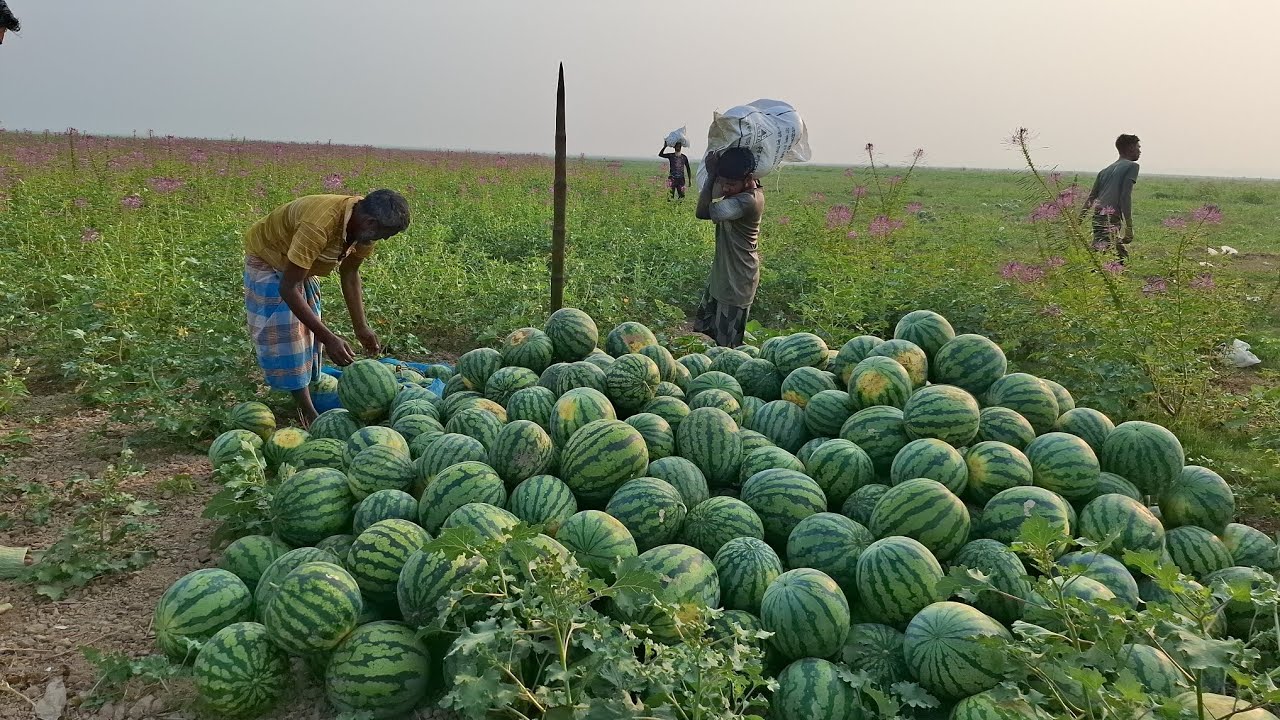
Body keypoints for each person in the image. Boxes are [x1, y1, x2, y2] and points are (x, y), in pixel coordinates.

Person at [243, 190, 410, 425]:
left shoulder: (362, 230)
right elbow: (288, 288)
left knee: (310, 334)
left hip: (300, 266)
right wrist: (329, 338)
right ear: (371, 222)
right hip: (270, 258)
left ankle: (307, 388)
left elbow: (350, 273)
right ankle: (308, 413)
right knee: (289, 335)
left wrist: (361, 327)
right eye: (384, 235)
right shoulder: (319, 224)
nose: (382, 241)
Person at [693, 147, 764, 348]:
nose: (724, 189)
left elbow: (702, 212)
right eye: (722, 183)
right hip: (721, 278)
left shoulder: (747, 201)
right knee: (704, 335)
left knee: (726, 348)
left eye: (730, 184)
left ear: (748, 178)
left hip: (737, 282)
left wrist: (712, 175)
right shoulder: (740, 192)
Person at [1083, 134, 1141, 262]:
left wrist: (1078, 220)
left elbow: (1091, 198)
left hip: (1098, 215)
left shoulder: (1105, 171)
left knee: (1112, 253)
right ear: (1130, 148)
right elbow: (1125, 196)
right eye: (1138, 147)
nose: (1140, 151)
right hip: (1110, 216)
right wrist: (1129, 227)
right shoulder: (1132, 166)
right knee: (1105, 256)